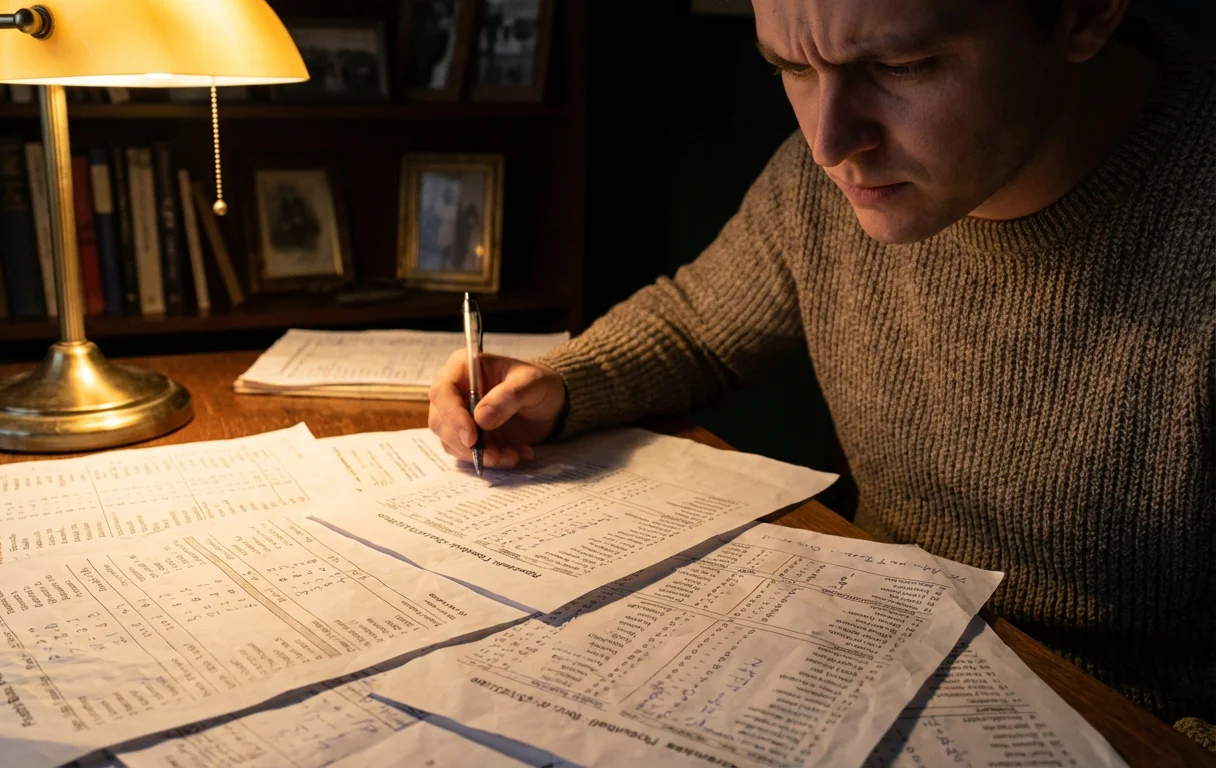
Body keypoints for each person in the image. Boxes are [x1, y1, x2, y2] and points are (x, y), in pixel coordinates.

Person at [426, 0, 1216, 749]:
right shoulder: (833, 183)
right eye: (792, 68)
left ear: (1084, 13)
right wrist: (558, 385)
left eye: (902, 64)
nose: (830, 143)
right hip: (876, 665)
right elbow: (698, 324)